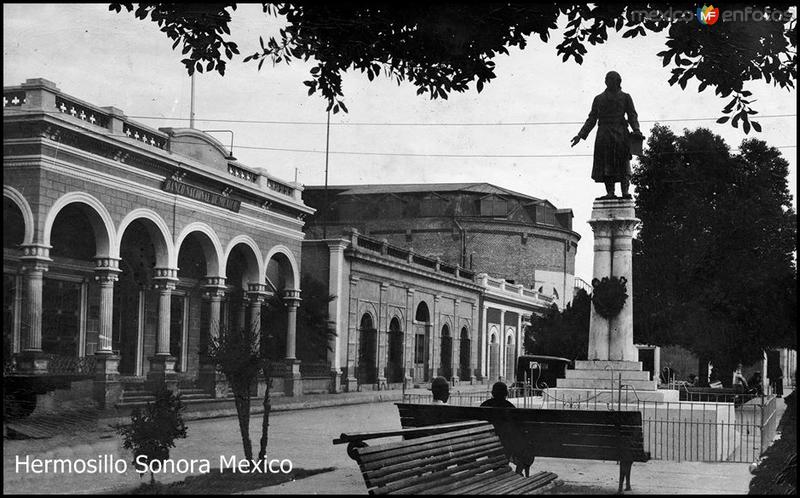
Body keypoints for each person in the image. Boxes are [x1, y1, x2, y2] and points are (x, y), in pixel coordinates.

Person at [571, 70, 643, 199]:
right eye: (606, 79)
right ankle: (610, 193)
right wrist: (580, 135)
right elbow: (592, 118)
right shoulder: (598, 99)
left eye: (610, 79)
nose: (607, 81)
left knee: (623, 162)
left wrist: (636, 129)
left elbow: (632, 115)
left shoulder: (626, 97)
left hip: (621, 133)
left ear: (618, 81)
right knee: (606, 163)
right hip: (604, 134)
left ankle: (625, 192)